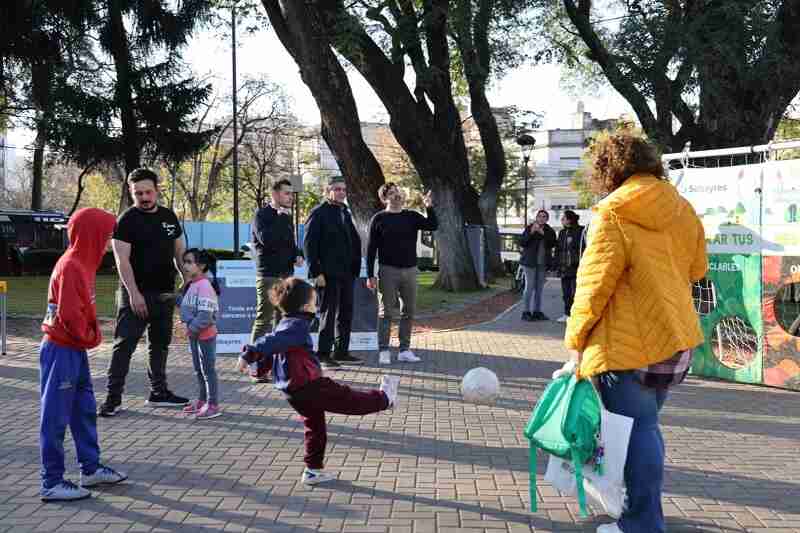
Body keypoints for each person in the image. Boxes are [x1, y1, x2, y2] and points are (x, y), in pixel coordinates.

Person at [555, 131, 707, 533]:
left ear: (608, 169)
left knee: (637, 432)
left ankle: (641, 523)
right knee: (646, 428)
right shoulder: (683, 208)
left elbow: (592, 288)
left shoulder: (613, 213)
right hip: (674, 340)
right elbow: (696, 269)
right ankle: (638, 513)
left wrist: (575, 342)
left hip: (626, 346)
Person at [237, 277, 399, 485]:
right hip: (309, 385)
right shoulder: (295, 325)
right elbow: (271, 343)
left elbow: (274, 349)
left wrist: (259, 367)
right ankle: (385, 399)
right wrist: (250, 355)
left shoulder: (286, 323)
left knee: (315, 428)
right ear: (305, 306)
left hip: (294, 391)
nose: (316, 306)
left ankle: (313, 470)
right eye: (314, 302)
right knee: (348, 399)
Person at [40, 208, 127, 501]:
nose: (107, 243)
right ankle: (51, 481)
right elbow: (69, 315)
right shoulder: (71, 266)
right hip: (61, 349)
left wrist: (89, 335)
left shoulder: (84, 263)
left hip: (74, 349)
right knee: (55, 416)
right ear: (91, 235)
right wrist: (91, 336)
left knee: (84, 408)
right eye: (105, 236)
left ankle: (89, 468)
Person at [99, 168, 189, 417]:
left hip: (164, 293)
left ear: (157, 190)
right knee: (123, 347)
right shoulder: (126, 221)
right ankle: (112, 399)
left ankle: (159, 392)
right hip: (135, 295)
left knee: (159, 346)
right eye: (138, 193)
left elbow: (180, 253)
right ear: (131, 192)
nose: (144, 197)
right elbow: (122, 261)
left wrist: (187, 280)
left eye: (148, 192)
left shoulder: (170, 217)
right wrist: (134, 295)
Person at [366, 183, 437, 365]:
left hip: (411, 270)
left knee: (409, 311)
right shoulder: (379, 219)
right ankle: (383, 350)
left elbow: (432, 225)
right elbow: (371, 249)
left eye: (397, 191)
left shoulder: (412, 216)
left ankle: (404, 349)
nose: (396, 195)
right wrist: (370, 275)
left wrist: (428, 205)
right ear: (384, 199)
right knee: (386, 313)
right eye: (391, 193)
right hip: (388, 270)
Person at [303, 176, 363, 368]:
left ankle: (341, 351)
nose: (341, 193)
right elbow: (309, 245)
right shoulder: (319, 213)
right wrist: (316, 272)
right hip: (327, 274)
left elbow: (352, 240)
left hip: (347, 272)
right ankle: (323, 354)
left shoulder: (344, 211)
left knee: (346, 312)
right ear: (327, 190)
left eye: (344, 190)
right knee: (328, 314)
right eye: (337, 189)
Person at [249, 179, 304, 383]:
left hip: (286, 275)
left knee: (282, 322)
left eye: (291, 193)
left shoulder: (286, 217)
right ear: (275, 194)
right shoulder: (261, 215)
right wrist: (281, 219)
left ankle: (276, 366)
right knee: (264, 320)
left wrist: (298, 254)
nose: (290, 197)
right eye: (287, 194)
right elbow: (267, 240)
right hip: (269, 274)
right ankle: (256, 366)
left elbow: (290, 243)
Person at [179, 249, 222, 420]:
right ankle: (202, 401)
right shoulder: (193, 284)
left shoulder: (204, 286)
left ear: (201, 266)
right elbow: (189, 307)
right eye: (185, 262)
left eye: (190, 262)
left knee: (208, 371)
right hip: (195, 335)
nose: (186, 266)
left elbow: (205, 315)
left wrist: (190, 329)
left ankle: (213, 404)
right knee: (199, 370)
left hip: (205, 336)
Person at [518, 209, 556, 321]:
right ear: (536, 217)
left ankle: (537, 311)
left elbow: (553, 243)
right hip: (529, 263)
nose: (541, 218)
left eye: (544, 216)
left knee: (539, 289)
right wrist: (531, 233)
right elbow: (522, 242)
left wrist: (543, 233)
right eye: (539, 216)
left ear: (547, 219)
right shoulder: (530, 228)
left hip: (542, 263)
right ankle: (526, 312)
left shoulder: (549, 230)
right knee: (529, 287)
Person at [554, 210, 584, 323]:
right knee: (566, 293)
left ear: (569, 220)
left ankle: (577, 315)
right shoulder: (562, 232)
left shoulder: (580, 231)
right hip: (564, 268)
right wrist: (556, 263)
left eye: (563, 218)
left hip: (576, 267)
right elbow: (558, 249)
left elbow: (583, 247)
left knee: (576, 293)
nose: (562, 220)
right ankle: (567, 314)